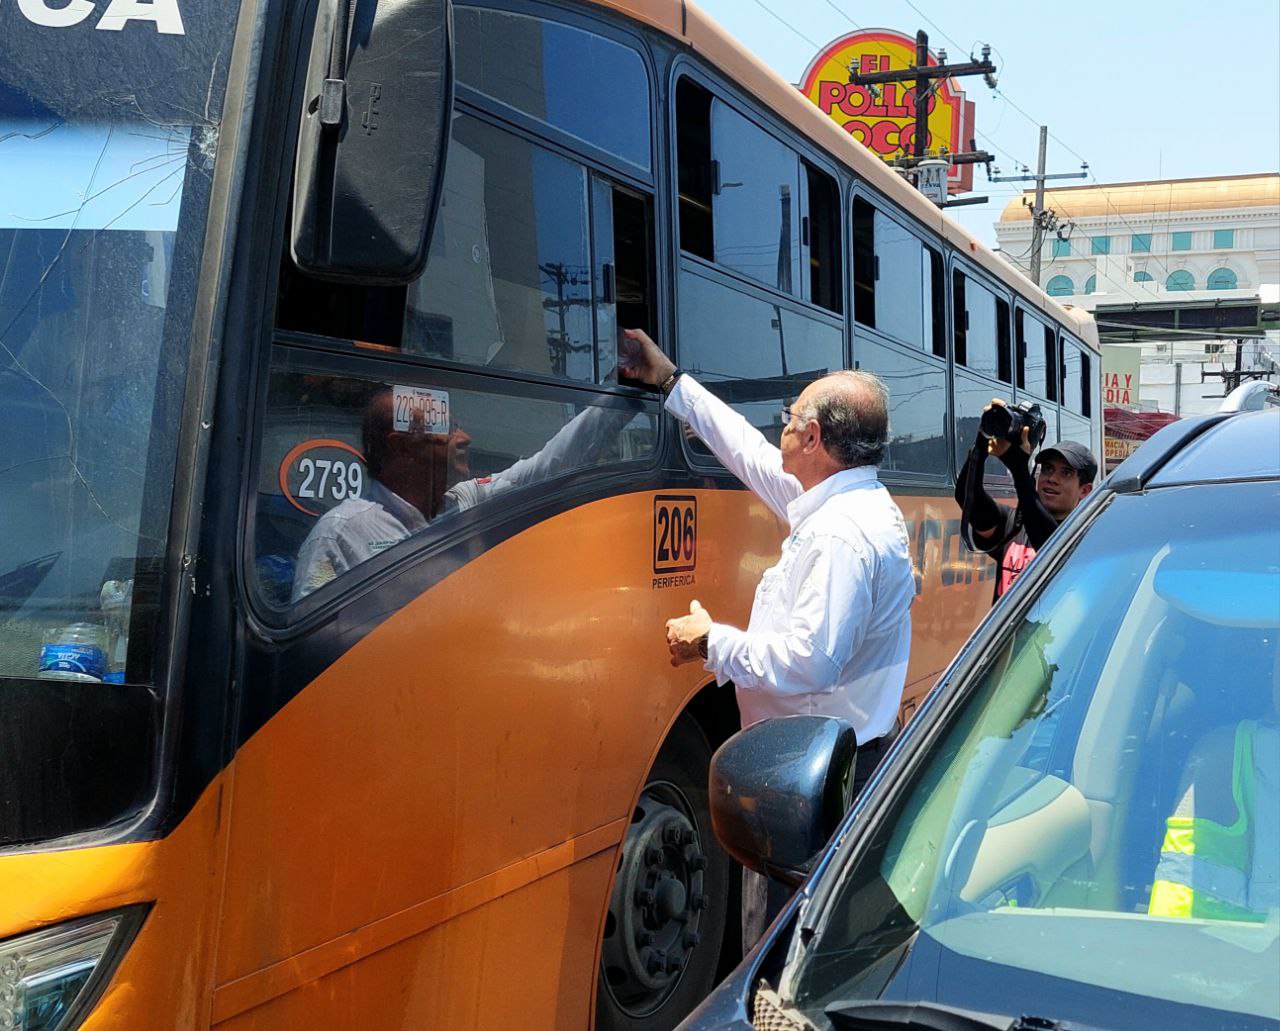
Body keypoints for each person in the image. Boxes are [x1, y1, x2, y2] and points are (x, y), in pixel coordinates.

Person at [619, 329, 915, 949]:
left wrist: (712, 641)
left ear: (813, 439)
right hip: (823, 769)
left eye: (790, 417)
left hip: (811, 793)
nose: (781, 427)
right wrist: (671, 382)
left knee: (782, 953)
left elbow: (810, 661)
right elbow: (751, 455)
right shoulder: (847, 502)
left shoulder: (839, 536)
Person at [292, 386, 629, 600]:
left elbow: (551, 466)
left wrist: (626, 395)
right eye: (447, 429)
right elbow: (311, 652)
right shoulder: (340, 535)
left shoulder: (465, 501)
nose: (465, 438)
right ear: (403, 448)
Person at [955, 399, 1097, 603]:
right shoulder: (1013, 524)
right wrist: (981, 444)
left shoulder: (1084, 538)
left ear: (1085, 490)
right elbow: (968, 497)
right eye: (1047, 469)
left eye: (1066, 473)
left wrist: (1018, 469)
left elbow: (1048, 542)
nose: (1052, 478)